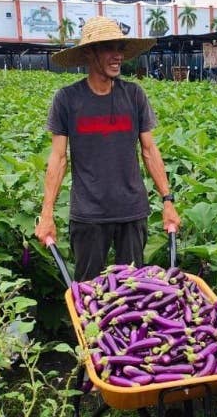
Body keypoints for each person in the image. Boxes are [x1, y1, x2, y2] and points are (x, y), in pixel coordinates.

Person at [34, 16, 181, 281]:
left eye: (120, 48)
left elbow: (149, 150)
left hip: (132, 212)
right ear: (89, 52)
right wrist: (47, 214)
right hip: (88, 215)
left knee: (135, 293)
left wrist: (167, 201)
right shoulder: (67, 99)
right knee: (89, 294)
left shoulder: (134, 95)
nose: (118, 56)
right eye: (109, 48)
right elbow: (58, 158)